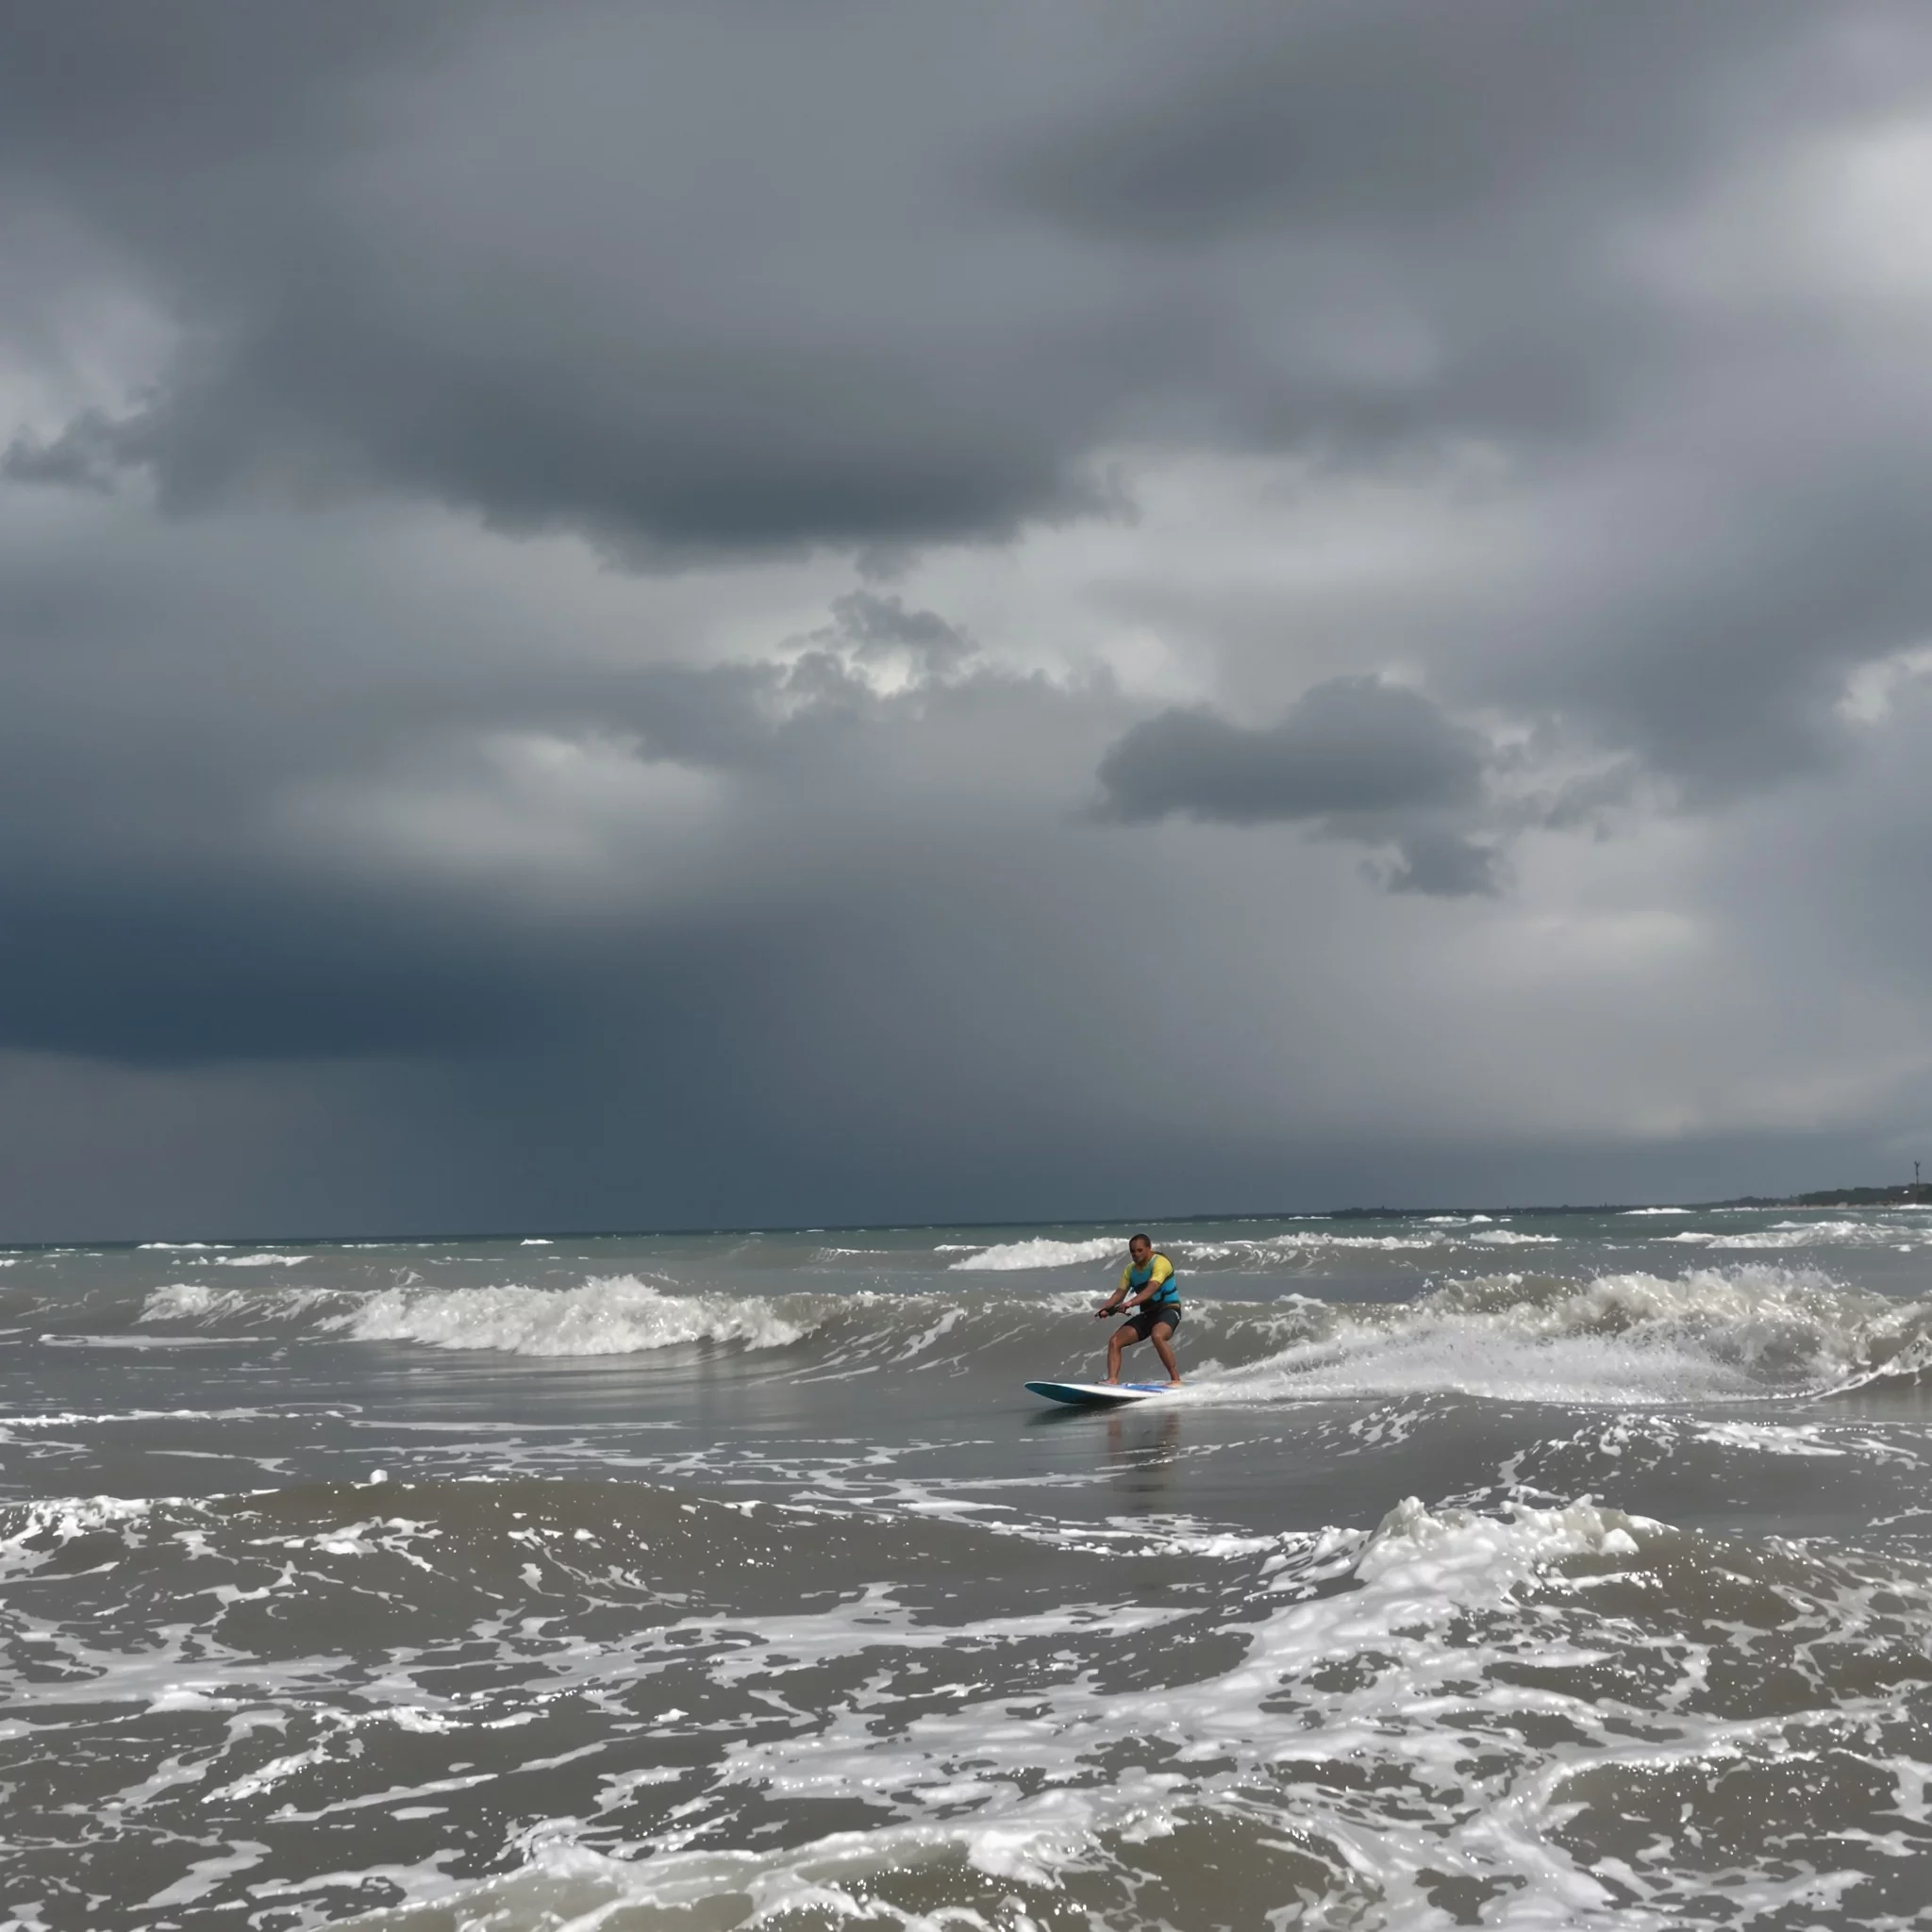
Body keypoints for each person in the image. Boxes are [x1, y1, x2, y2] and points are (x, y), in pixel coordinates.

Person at [1094, 1232, 1181, 1386]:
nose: (1135, 1254)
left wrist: (1131, 1302)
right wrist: (1107, 1308)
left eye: (1139, 1250)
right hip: (1148, 1314)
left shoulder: (1160, 1263)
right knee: (1115, 1341)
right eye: (1132, 1251)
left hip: (1168, 1310)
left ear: (1149, 1248)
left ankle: (1175, 1380)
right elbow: (1119, 1293)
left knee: (1157, 1335)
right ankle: (1112, 1380)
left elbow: (1151, 1288)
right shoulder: (1130, 1270)